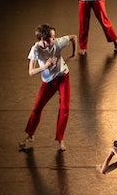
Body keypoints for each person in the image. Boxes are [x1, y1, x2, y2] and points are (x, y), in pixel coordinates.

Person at [18, 24, 77, 152]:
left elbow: (73, 37)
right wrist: (46, 66)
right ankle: (30, 134)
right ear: (43, 39)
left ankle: (60, 138)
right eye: (52, 37)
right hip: (48, 81)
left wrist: (74, 54)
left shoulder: (58, 43)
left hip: (63, 77)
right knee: (37, 108)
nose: (54, 39)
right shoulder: (35, 50)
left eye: (55, 37)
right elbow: (31, 72)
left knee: (64, 108)